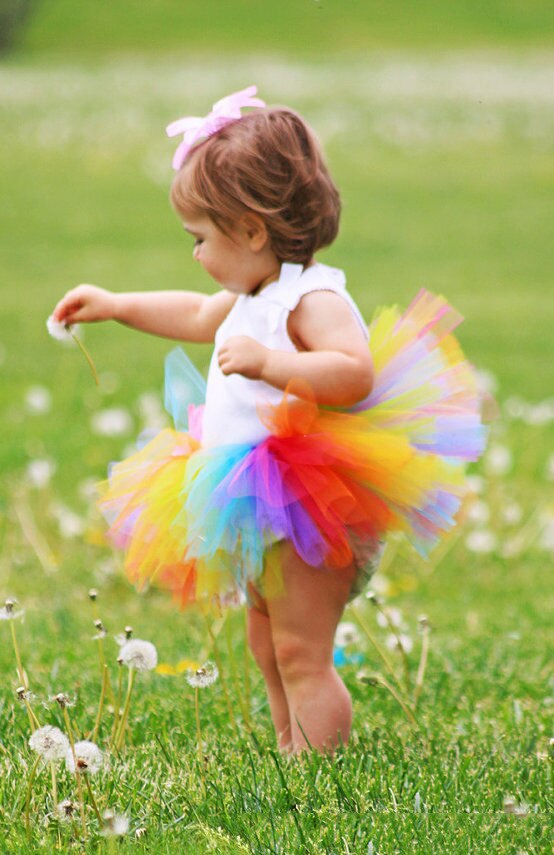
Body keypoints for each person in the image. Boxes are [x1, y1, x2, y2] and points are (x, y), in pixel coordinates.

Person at [51, 86, 485, 754]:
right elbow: (192, 315)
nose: (195, 254)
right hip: (255, 492)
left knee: (300, 647)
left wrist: (270, 363)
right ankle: (292, 745)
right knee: (265, 638)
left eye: (201, 238)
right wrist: (114, 304)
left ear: (253, 231)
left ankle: (319, 765)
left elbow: (353, 371)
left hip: (311, 497)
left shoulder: (310, 297)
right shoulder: (247, 290)